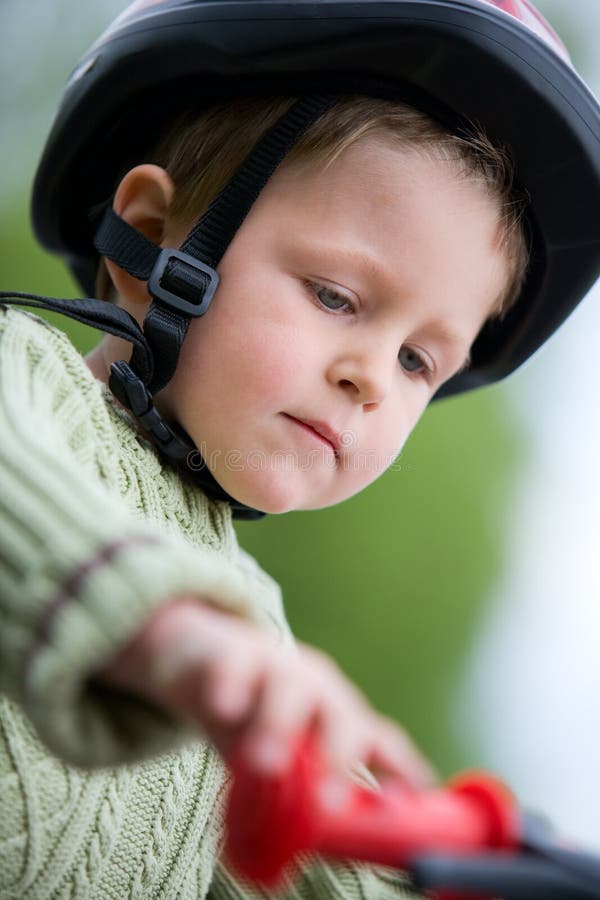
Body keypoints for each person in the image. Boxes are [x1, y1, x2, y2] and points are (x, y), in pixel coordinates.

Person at [1, 1, 599, 897]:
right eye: (334, 295)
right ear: (153, 243)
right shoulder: (22, 374)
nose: (372, 378)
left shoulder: (264, 651)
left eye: (417, 360)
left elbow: (335, 865)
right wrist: (171, 635)